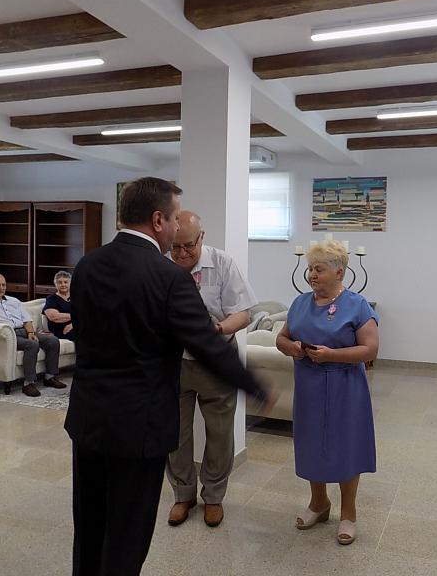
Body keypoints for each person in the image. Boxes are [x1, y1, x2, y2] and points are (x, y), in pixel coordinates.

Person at [65, 177, 274, 576]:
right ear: (158, 220)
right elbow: (207, 344)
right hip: (139, 426)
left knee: (89, 524)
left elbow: (85, 332)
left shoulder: (87, 265)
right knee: (127, 533)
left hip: (89, 419)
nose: (178, 229)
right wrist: (255, 386)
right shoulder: (168, 277)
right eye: (176, 219)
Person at [275, 240, 379, 546]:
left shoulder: (357, 305)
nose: (312, 275)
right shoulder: (299, 303)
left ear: (339, 272)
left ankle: (348, 513)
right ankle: (318, 503)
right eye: (310, 269)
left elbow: (370, 349)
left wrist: (332, 355)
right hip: (309, 385)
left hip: (345, 386)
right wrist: (293, 347)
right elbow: (281, 339)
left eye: (319, 269)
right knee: (311, 444)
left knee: (346, 445)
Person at [165, 211, 258, 528]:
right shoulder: (162, 265)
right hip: (173, 362)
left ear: (201, 238)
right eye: (175, 247)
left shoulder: (222, 263)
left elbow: (243, 314)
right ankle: (183, 494)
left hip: (215, 360)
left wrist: (217, 330)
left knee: (219, 434)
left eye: (188, 246)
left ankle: (214, 496)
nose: (181, 254)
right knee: (175, 433)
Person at [43, 270, 74, 340]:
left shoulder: (76, 297)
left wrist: (73, 324)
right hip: (62, 330)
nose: (63, 285)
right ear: (55, 284)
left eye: (65, 282)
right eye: (59, 282)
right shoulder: (51, 299)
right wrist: (77, 317)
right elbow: (54, 317)